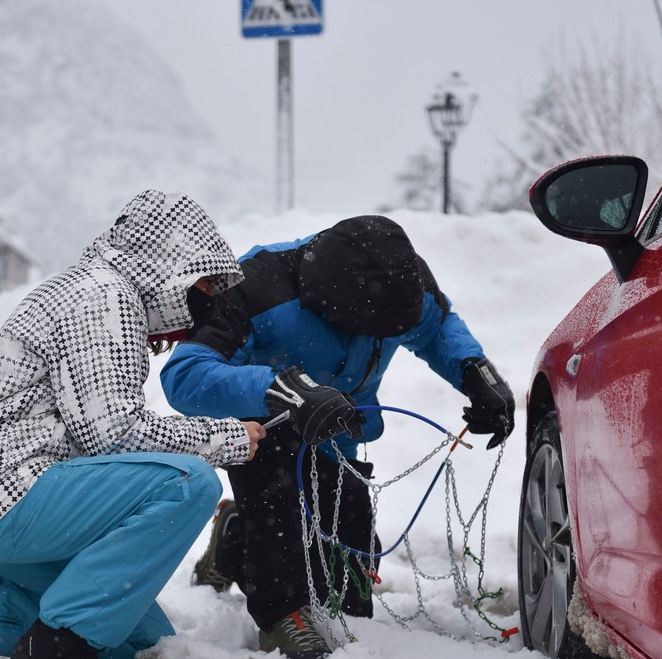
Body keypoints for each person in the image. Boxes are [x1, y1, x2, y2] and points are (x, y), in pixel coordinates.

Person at [0, 189, 267, 659]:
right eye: (203, 285)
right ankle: (60, 644)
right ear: (167, 265)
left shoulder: (102, 293)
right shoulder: (104, 296)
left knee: (140, 643)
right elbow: (113, 434)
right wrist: (227, 438)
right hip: (8, 492)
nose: (208, 301)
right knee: (189, 483)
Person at [160, 215, 516, 658]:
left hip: (339, 435)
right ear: (329, 305)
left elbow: (438, 329)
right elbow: (184, 375)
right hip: (263, 431)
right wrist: (280, 390)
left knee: (348, 583)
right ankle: (279, 616)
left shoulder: (401, 279)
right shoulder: (254, 286)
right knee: (280, 545)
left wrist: (474, 372)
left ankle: (234, 536)